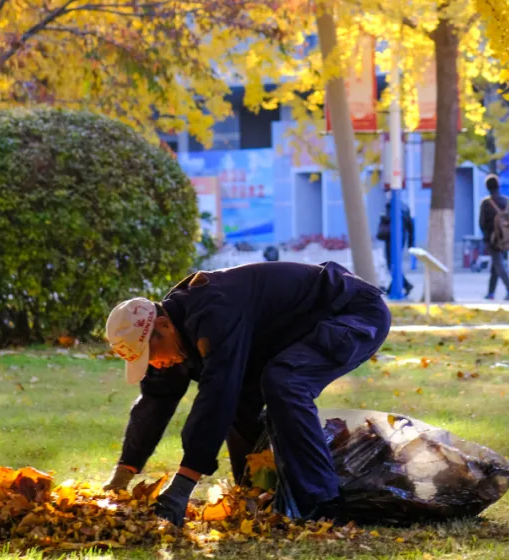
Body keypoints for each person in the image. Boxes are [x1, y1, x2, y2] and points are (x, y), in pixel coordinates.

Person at [101, 261, 391, 526]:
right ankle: (258, 492)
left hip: (353, 313)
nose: (154, 364)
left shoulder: (214, 313)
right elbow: (156, 399)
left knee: (284, 382)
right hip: (298, 328)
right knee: (244, 395)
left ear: (163, 326)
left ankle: (324, 503)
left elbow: (218, 395)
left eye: (150, 355)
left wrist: (182, 486)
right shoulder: (171, 329)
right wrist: (123, 474)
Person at [478, 174, 509, 301]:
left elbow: (482, 223)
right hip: (506, 239)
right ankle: (490, 293)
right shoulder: (507, 202)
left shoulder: (486, 203)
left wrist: (486, 236)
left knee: (498, 264)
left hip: (492, 239)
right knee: (496, 265)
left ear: (487, 187)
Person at [377, 201, 415, 296]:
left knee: (391, 265)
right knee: (395, 264)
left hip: (391, 239)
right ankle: (392, 288)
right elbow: (411, 226)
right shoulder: (405, 207)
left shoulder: (390, 205)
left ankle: (406, 285)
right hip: (401, 239)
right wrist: (410, 243)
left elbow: (387, 219)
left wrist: (382, 217)